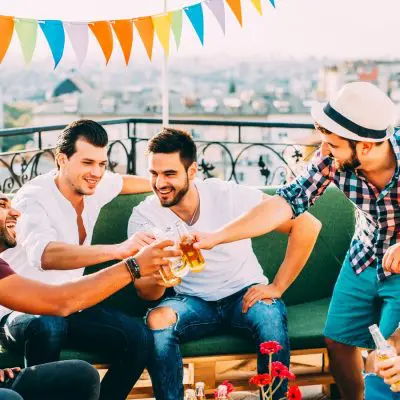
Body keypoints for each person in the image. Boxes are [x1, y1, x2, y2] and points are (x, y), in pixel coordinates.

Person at [193, 82, 400, 400]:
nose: (325, 150)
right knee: (338, 341)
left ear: (367, 147)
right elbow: (284, 203)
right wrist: (216, 237)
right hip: (365, 253)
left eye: (333, 144)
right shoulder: (330, 160)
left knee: (388, 351)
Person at [127, 128, 322, 400]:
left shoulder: (226, 195)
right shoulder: (144, 218)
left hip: (244, 293)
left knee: (269, 316)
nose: (160, 183)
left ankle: (274, 397)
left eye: (169, 174)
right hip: (192, 301)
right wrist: (159, 276)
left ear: (192, 171)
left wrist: (278, 286)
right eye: (153, 174)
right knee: (157, 319)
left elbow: (307, 225)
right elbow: (145, 293)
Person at [0, 119, 178, 400]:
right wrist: (121, 250)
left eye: (102, 164)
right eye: (87, 163)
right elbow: (45, 255)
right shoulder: (32, 199)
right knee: (49, 324)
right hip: (22, 312)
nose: (96, 172)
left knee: (139, 337)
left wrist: (171, 184)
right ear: (62, 159)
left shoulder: (94, 184)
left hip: (74, 304)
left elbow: (126, 182)